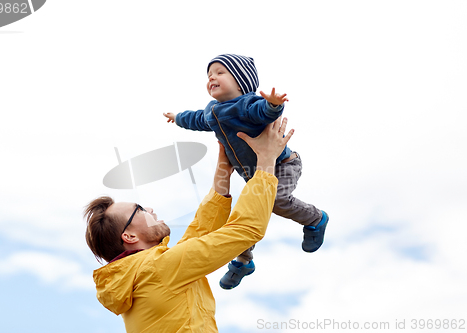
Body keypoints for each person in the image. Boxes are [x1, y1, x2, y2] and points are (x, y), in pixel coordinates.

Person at [84, 118, 294, 333]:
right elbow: (246, 229)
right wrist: (266, 158)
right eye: (140, 210)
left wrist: (224, 166)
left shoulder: (143, 274)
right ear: (129, 236)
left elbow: (201, 232)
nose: (150, 210)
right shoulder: (157, 269)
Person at [163, 53, 329, 289]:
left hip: (283, 165)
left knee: (277, 201)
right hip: (256, 174)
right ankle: (243, 261)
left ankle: (315, 218)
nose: (212, 78)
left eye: (220, 73)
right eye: (209, 75)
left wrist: (273, 104)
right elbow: (196, 119)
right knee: (245, 213)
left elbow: (262, 111)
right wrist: (178, 118)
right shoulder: (212, 111)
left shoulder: (247, 104)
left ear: (241, 82)